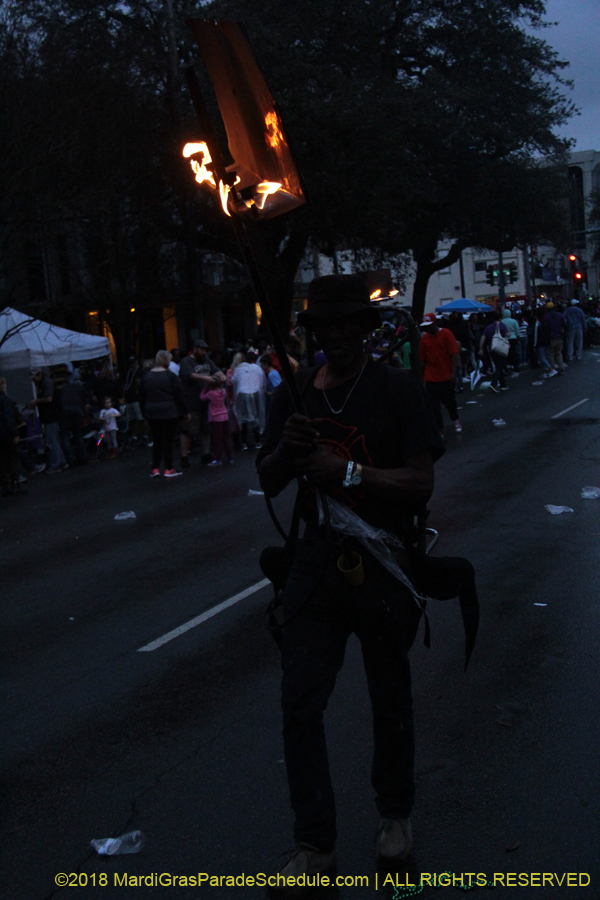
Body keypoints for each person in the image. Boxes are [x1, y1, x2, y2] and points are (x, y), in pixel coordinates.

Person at [257, 275, 444, 889]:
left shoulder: (397, 390)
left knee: (389, 697)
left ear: (365, 330)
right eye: (324, 327)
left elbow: (420, 483)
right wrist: (287, 452)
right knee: (299, 702)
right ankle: (315, 844)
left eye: (347, 325)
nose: (335, 335)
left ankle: (395, 818)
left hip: (384, 563)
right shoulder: (294, 395)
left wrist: (351, 471)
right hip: (315, 564)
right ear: (311, 334)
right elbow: (271, 479)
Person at [141, 350, 189, 477]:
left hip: (152, 411)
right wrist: (185, 411)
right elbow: (179, 395)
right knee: (168, 440)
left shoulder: (147, 376)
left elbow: (142, 395)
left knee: (157, 440)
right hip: (169, 411)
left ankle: (155, 468)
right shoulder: (171, 376)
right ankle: (169, 468)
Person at [419, 312, 462, 436]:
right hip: (431, 377)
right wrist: (421, 377)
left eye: (430, 325)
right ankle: (439, 429)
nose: (428, 328)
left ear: (435, 323)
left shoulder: (446, 334)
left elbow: (454, 354)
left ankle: (455, 418)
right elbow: (422, 360)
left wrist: (453, 373)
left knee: (449, 402)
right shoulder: (424, 339)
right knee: (433, 407)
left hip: (445, 376)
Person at [179, 340, 220, 467]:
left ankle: (206, 453)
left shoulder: (207, 361)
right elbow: (189, 375)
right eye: (202, 350)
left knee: (206, 429)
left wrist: (221, 375)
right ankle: (184, 457)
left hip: (206, 401)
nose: (204, 352)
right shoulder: (187, 361)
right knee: (188, 429)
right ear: (195, 349)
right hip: (192, 401)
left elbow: (216, 370)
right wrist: (205, 378)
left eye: (205, 350)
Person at [28, 368, 68, 473]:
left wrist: (36, 401)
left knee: (52, 441)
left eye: (34, 378)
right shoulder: (45, 383)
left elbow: (49, 398)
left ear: (39, 374)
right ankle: (62, 462)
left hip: (51, 416)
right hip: (51, 416)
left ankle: (55, 464)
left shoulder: (47, 383)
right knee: (54, 440)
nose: (33, 380)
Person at [232, 351, 266, 450]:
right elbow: (262, 382)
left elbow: (234, 381)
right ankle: (257, 441)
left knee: (244, 418)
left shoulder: (239, 369)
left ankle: (244, 443)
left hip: (242, 394)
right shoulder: (258, 368)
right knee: (256, 417)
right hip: (255, 393)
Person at [200, 377, 233, 466]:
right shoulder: (223, 391)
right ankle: (230, 457)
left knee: (217, 439)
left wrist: (205, 388)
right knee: (227, 438)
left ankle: (218, 458)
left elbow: (202, 397)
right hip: (225, 415)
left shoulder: (210, 393)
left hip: (215, 417)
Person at [59, 374, 89, 465]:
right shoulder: (82, 389)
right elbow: (87, 406)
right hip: (77, 408)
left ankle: (70, 460)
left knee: (64, 434)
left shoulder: (65, 387)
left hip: (64, 408)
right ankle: (82, 458)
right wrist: (85, 416)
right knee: (77, 433)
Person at [0, 377, 22, 497]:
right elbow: (9, 419)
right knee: (13, 458)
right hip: (7, 434)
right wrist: (15, 433)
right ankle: (15, 484)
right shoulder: (6, 400)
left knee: (2, 462)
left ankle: (5, 487)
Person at [480, 310, 510, 392]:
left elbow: (483, 337)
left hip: (492, 349)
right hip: (501, 348)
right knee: (500, 366)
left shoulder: (488, 327)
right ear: (500, 317)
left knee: (498, 366)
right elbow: (508, 334)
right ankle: (494, 383)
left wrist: (481, 348)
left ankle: (503, 385)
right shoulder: (502, 325)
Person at [123, 357, 146, 444]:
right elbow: (125, 384)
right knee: (132, 418)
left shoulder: (140, 371)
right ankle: (134, 435)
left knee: (140, 418)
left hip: (137, 398)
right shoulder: (128, 372)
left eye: (133, 363)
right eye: (131, 363)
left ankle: (144, 435)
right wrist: (123, 395)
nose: (132, 365)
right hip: (129, 398)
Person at [543, 302, 565, 375]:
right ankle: (561, 368)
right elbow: (564, 324)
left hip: (551, 337)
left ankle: (553, 368)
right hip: (559, 336)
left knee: (550, 354)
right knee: (558, 353)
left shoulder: (546, 317)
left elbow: (545, 328)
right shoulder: (560, 315)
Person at [260, 353, 283, 421]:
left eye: (262, 365)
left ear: (265, 364)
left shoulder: (271, 374)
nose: (261, 367)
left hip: (273, 398)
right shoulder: (274, 372)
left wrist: (271, 393)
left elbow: (278, 385)